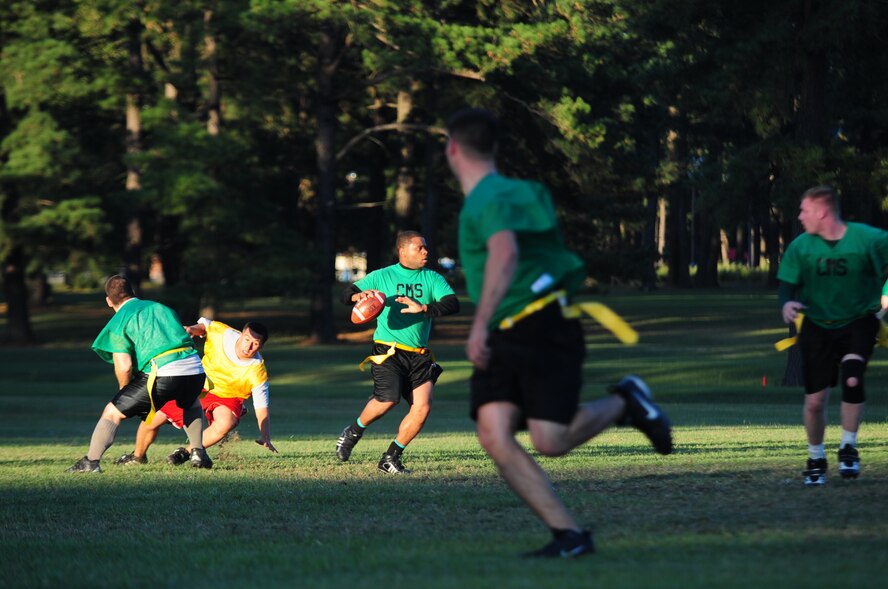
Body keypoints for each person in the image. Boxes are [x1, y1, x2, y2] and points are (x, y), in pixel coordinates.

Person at [445, 107, 672, 558]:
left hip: (536, 325)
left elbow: (505, 254)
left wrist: (479, 323)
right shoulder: (525, 191)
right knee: (495, 432)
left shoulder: (486, 199)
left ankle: (626, 400)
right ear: (494, 147)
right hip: (526, 327)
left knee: (550, 441)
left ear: (452, 149)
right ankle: (570, 536)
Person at [777, 186, 888, 486]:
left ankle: (848, 447)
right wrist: (786, 302)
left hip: (858, 320)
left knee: (852, 376)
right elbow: (786, 285)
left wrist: (886, 293)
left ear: (822, 212)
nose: (799, 216)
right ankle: (816, 456)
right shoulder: (801, 246)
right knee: (815, 401)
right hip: (817, 325)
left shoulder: (868, 239)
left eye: (804, 210)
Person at [335, 231, 460, 474]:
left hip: (420, 355)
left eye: (426, 248)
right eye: (420, 248)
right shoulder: (382, 276)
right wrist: (357, 295)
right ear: (403, 251)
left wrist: (424, 307)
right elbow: (345, 294)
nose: (426, 252)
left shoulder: (431, 278)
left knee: (422, 407)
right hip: (388, 351)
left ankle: (390, 458)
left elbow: (452, 303)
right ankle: (354, 430)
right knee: (388, 400)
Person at [66, 275, 211, 472]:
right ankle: (198, 452)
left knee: (112, 412)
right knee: (191, 402)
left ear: (109, 301)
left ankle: (91, 462)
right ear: (133, 293)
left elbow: (124, 366)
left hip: (162, 371)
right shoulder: (161, 307)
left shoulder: (119, 320)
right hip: (195, 368)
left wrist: (124, 391)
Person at [113, 318, 275, 466]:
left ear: (261, 346)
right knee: (153, 417)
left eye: (255, 343)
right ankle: (138, 456)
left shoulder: (257, 371)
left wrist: (265, 436)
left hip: (228, 397)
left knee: (226, 422)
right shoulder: (223, 333)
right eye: (247, 339)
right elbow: (205, 326)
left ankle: (186, 452)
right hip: (199, 384)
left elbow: (262, 407)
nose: (248, 346)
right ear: (241, 334)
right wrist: (192, 329)